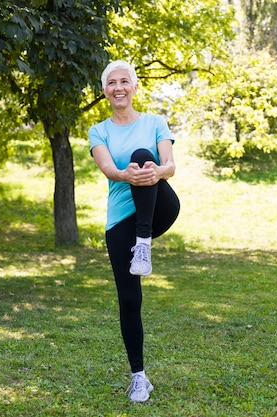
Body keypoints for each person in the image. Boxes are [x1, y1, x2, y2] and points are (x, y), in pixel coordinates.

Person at [88, 60, 180, 403]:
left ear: (135, 87)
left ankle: (144, 243)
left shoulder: (156, 122)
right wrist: (129, 175)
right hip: (120, 221)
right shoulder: (99, 131)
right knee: (129, 299)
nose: (118, 87)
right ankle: (139, 377)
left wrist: (155, 172)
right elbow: (109, 169)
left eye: (124, 81)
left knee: (145, 155)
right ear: (105, 92)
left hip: (160, 208)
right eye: (111, 83)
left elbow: (170, 164)